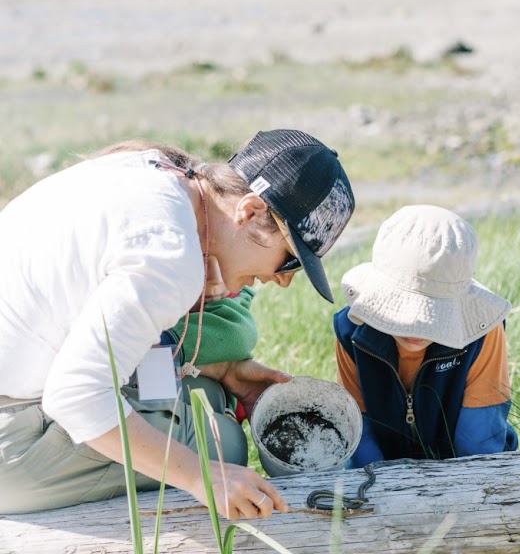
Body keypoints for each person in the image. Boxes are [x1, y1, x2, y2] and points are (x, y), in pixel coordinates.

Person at [0, 129, 356, 517]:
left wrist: (217, 367)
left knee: (204, 392)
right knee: (222, 443)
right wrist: (202, 477)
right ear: (250, 212)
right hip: (12, 440)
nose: (284, 279)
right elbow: (75, 396)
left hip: (22, 386)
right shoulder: (171, 255)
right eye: (290, 259)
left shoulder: (157, 170)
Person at [334, 205, 518, 467]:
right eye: (404, 316)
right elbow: (358, 429)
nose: (416, 331)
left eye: (431, 318)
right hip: (382, 469)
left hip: (466, 466)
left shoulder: (483, 331)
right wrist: (378, 487)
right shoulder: (351, 331)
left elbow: (479, 437)